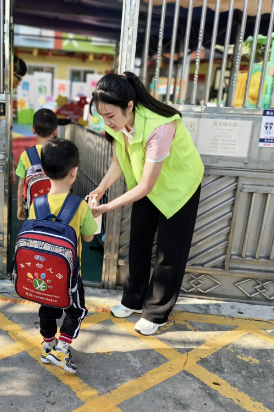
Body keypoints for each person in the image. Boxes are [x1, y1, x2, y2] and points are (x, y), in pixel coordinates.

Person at [89, 72, 204, 336]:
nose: (106, 122)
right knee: (139, 243)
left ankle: (157, 312)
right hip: (148, 187)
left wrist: (106, 207)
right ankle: (133, 299)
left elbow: (146, 187)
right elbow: (119, 161)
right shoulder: (118, 124)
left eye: (110, 116)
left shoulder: (159, 126)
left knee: (168, 253)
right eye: (102, 116)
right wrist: (101, 188)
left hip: (178, 188)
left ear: (129, 106)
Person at [28, 139, 97, 374]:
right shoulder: (80, 206)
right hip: (69, 276)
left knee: (47, 309)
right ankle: (62, 348)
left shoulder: (36, 204)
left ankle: (47, 347)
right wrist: (92, 213)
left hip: (43, 273)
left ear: (44, 171)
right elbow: (88, 238)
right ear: (74, 172)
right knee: (76, 310)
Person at [15, 108, 57, 220]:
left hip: (33, 210)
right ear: (55, 131)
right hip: (58, 210)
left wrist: (20, 206)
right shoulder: (61, 152)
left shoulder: (26, 155)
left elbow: (21, 184)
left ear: (33, 130)